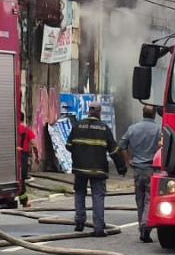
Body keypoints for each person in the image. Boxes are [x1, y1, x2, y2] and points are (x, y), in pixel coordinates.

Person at [66, 103, 124, 237]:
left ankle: (79, 222)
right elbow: (114, 151)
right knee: (98, 196)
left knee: (80, 193)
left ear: (88, 111)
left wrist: (80, 152)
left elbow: (69, 146)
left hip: (80, 168)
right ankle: (98, 227)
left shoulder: (77, 126)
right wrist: (121, 167)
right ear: (99, 112)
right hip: (98, 169)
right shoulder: (104, 128)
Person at [119, 104, 162, 242]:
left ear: (143, 113)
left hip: (137, 169)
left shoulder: (133, 128)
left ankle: (141, 226)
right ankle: (145, 226)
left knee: (140, 200)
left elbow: (122, 146)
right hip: (152, 169)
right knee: (150, 198)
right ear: (154, 115)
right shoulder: (158, 129)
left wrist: (128, 160)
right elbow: (164, 145)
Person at [17, 112, 38, 208]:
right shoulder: (27, 130)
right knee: (21, 179)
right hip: (23, 156)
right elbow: (34, 144)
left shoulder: (13, 129)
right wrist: (37, 157)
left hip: (13, 155)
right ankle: (24, 201)